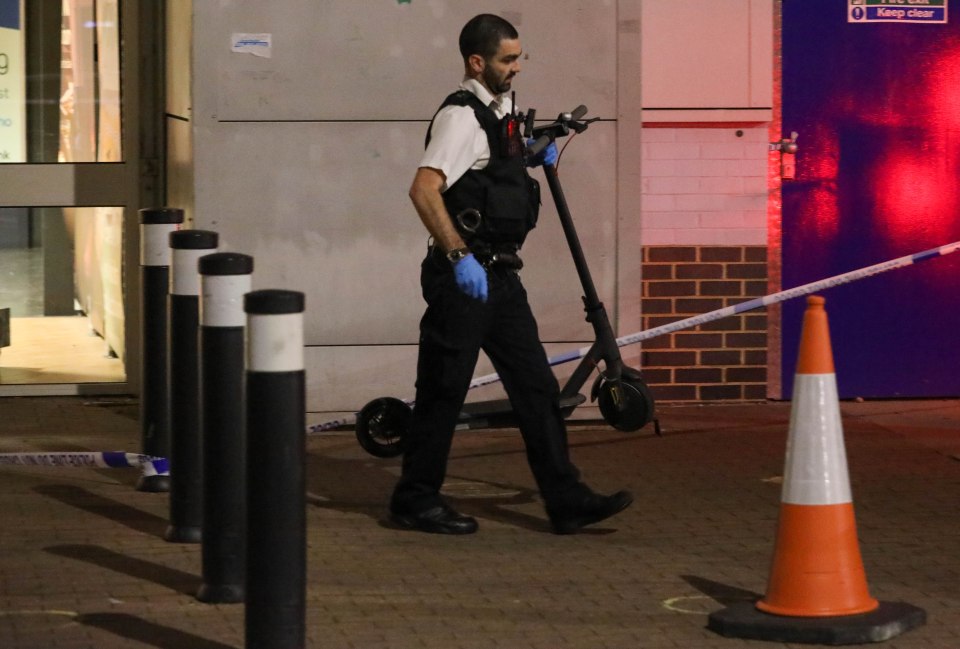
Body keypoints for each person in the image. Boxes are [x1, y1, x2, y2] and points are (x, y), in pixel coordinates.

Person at [389, 13, 632, 535]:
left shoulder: (502, 113)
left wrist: (531, 152)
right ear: (477, 62)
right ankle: (415, 499)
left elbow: (493, 170)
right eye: (508, 59)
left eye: (520, 57)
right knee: (443, 389)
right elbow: (424, 189)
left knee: (537, 388)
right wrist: (457, 257)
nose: (517, 67)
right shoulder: (460, 117)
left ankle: (565, 499)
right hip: (464, 275)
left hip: (501, 277)